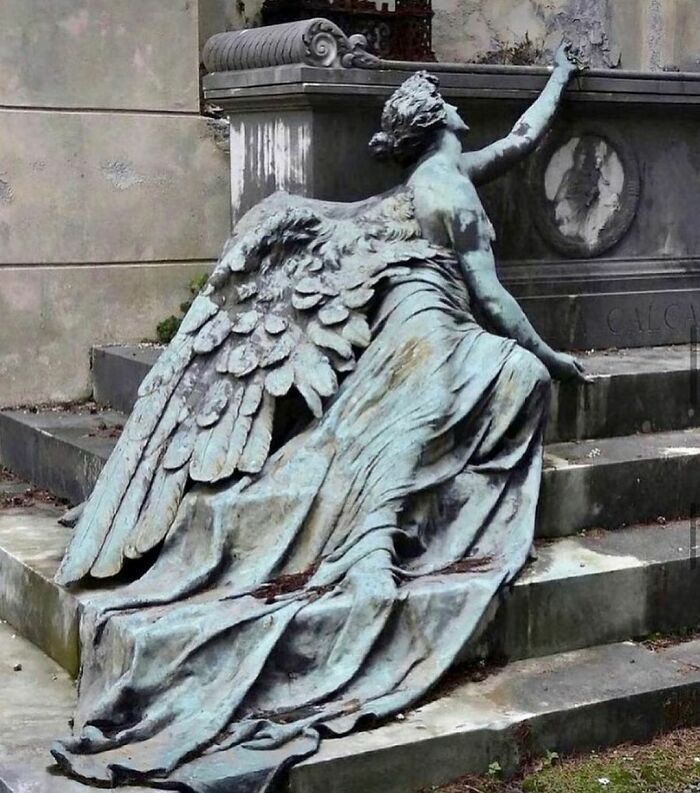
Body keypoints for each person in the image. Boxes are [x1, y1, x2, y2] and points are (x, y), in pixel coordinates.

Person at [52, 43, 585, 793]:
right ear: (441, 122)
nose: (462, 105)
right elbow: (493, 301)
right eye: (447, 99)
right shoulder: (452, 192)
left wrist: (560, 76)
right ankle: (370, 547)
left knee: (375, 429)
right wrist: (554, 355)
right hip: (433, 336)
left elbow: (523, 139)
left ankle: (355, 528)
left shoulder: (427, 183)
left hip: (407, 334)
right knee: (499, 379)